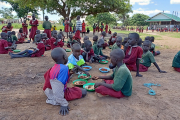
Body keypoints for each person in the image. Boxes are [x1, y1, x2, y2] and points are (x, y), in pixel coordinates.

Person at [43, 47, 87, 116]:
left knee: (77, 90)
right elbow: (57, 87)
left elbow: (58, 80)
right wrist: (63, 104)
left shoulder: (55, 67)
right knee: (83, 92)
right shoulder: (64, 68)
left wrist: (69, 74)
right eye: (66, 54)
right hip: (60, 93)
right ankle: (57, 99)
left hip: (52, 90)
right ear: (64, 57)